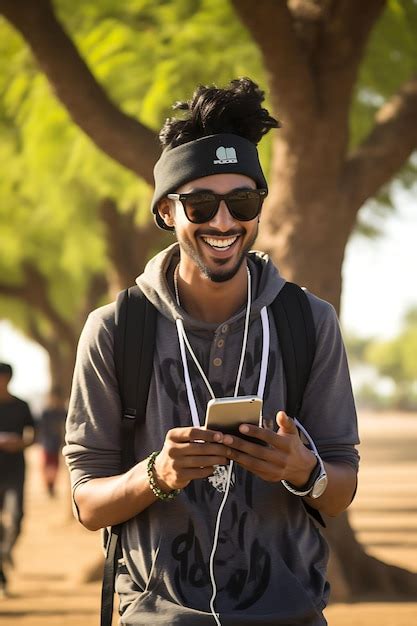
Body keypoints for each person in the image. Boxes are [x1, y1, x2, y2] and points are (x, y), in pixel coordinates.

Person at [64, 78, 359, 625]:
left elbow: (339, 488)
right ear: (166, 213)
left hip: (291, 615)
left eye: (241, 201)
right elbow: (86, 502)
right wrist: (157, 473)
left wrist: (305, 470)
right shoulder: (114, 329)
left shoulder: (308, 321)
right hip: (158, 617)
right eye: (200, 205)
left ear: (258, 208)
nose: (223, 222)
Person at [0, 362, 35, 597]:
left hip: (15, 471)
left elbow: (33, 435)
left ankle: (4, 552)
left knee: (16, 518)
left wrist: (20, 443)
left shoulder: (21, 406)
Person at [38, 387, 66, 497]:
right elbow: (42, 429)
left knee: (55, 467)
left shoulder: (62, 412)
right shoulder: (47, 412)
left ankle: (51, 486)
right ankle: (49, 486)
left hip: (57, 444)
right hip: (47, 444)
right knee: (48, 467)